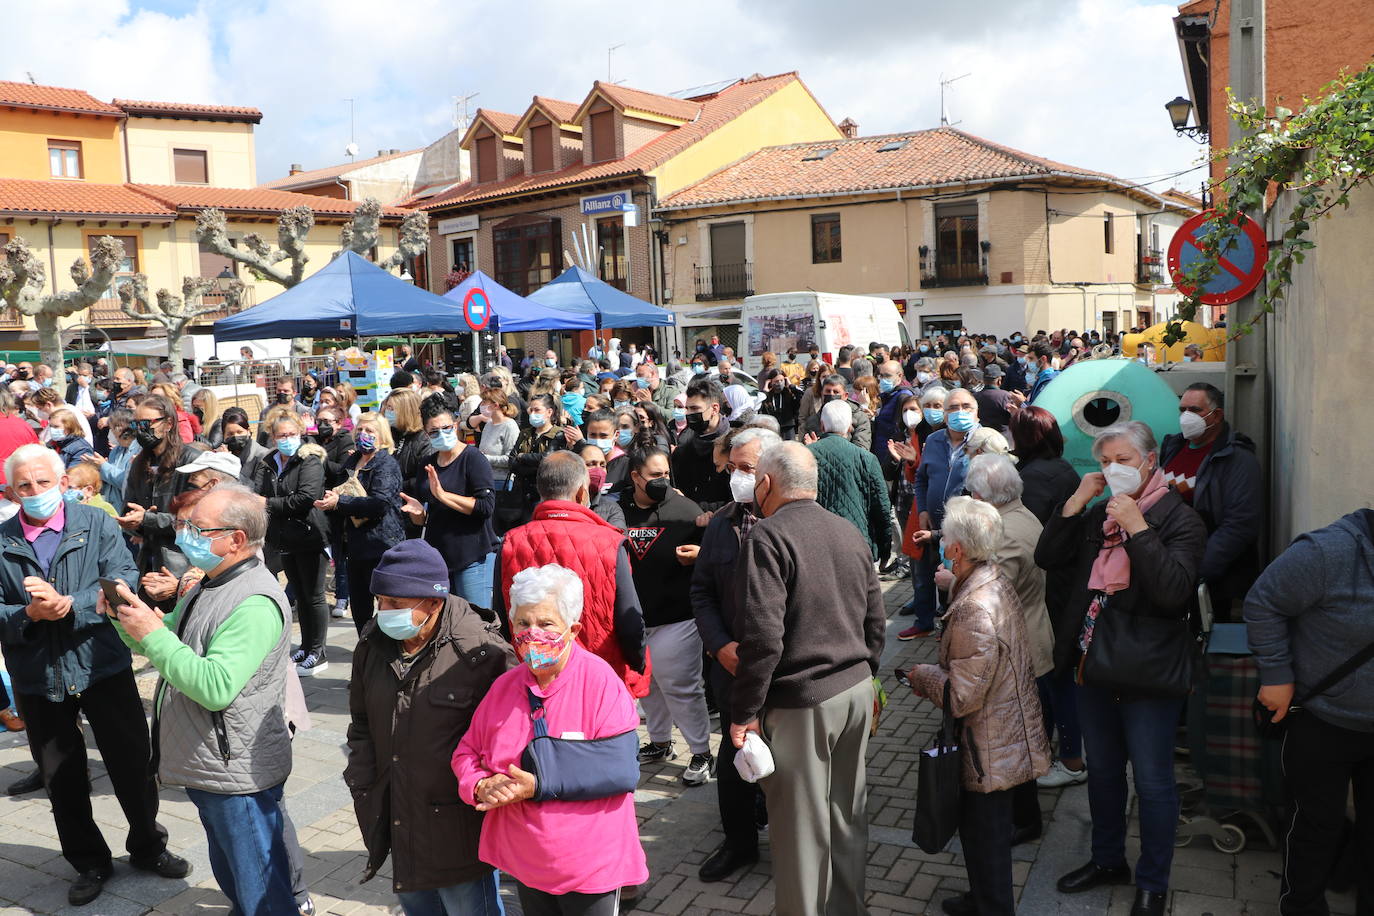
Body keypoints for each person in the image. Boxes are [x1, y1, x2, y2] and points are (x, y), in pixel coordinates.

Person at [0, 444, 189, 905]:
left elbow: (121, 579)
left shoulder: (97, 523)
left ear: (63, 483)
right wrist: (29, 613)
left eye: (44, 482)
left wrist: (68, 606)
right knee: (61, 777)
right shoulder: (2, 540)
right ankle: (88, 861)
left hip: (101, 663)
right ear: (10, 490)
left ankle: (147, 845)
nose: (35, 492)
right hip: (38, 677)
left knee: (133, 765)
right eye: (24, 486)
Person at [1035, 422, 1206, 916]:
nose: (1113, 470)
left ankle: (1153, 882)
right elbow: (1048, 556)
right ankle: (1107, 859)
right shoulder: (1099, 516)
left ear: (1150, 461)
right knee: (1105, 772)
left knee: (1153, 782)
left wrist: (1137, 528)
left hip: (1148, 672)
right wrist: (1075, 501)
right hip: (1094, 663)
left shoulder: (1180, 519)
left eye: (1124, 460)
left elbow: (1172, 592)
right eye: (1105, 461)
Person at [109, 483, 298, 913]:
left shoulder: (254, 600)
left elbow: (215, 686)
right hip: (208, 763)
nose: (186, 535)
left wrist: (154, 635)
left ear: (236, 539)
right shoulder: (208, 583)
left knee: (262, 892)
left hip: (237, 774)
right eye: (186, 525)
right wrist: (127, 620)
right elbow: (169, 640)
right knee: (234, 875)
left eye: (199, 528)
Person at [728, 443, 885, 916]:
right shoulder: (847, 531)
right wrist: (866, 678)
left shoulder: (767, 537)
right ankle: (846, 908)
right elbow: (876, 621)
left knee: (800, 828)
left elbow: (763, 639)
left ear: (767, 484)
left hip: (804, 700)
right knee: (845, 815)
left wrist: (745, 712)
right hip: (854, 689)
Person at [453, 565, 649, 914]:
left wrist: (537, 783)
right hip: (525, 861)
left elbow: (621, 770)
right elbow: (467, 751)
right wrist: (480, 785)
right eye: (523, 624)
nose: (532, 634)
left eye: (546, 624)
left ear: (573, 629)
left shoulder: (599, 682)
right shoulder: (504, 687)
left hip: (589, 864)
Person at [345, 540, 515, 915]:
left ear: (433, 603)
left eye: (395, 604)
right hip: (398, 816)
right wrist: (363, 778)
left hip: (458, 827)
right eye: (380, 601)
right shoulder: (373, 644)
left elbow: (510, 741)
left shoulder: (482, 654)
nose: (382, 612)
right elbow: (360, 724)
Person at [904, 496, 1050, 916]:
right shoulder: (991, 580)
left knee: (985, 838)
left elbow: (962, 695)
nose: (941, 541)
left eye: (945, 537)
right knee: (980, 834)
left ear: (956, 550)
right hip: (999, 739)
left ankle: (992, 905)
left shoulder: (974, 609)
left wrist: (922, 676)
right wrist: (955, 585)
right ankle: (982, 898)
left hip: (988, 749)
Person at [1244, 508, 1374, 916]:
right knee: (1315, 828)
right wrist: (1276, 675)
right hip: (1322, 718)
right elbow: (1263, 602)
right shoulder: (1328, 552)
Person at [690, 426, 781, 882]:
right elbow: (702, 591)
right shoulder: (723, 523)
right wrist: (718, 644)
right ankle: (739, 843)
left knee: (786, 767)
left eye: (747, 470)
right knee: (732, 761)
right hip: (732, 671)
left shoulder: (793, 522)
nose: (737, 478)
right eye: (733, 469)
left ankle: (792, 844)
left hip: (783, 677)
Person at [494, 452, 647, 698]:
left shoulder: (512, 541)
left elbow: (502, 615)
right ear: (580, 493)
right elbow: (630, 621)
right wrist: (638, 664)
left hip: (534, 674)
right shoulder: (611, 542)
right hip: (599, 675)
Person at [963, 454, 1056, 844]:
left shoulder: (1004, 533)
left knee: (1014, 743)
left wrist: (952, 577)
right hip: (1031, 637)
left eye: (971, 493)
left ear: (984, 495)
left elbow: (992, 594)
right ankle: (1021, 816)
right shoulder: (1023, 515)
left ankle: (1023, 820)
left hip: (1019, 649)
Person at [618, 448, 713, 785]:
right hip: (637, 618)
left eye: (666, 475)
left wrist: (701, 553)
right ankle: (659, 742)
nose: (662, 482)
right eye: (654, 476)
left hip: (678, 617)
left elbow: (716, 550)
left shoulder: (686, 510)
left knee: (682, 686)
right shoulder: (617, 507)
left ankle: (701, 752)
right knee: (650, 686)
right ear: (635, 477)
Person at [1008, 406, 1088, 788]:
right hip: (1063, 584)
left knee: (1055, 675)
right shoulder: (1063, 468)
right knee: (1056, 673)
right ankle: (1056, 750)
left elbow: (1034, 539)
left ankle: (1071, 760)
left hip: (1050, 588)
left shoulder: (1035, 478)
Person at [1158, 383, 1262, 619]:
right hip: (1167, 566)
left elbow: (1240, 525)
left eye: (1194, 410)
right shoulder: (1174, 446)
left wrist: (1197, 570)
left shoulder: (1237, 460)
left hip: (1208, 578)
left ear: (1217, 415)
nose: (1186, 417)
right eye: (1182, 409)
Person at [252, 414, 332, 677]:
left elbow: (305, 497)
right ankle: (307, 645)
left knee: (314, 595)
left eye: (291, 434)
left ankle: (318, 652)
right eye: (281, 436)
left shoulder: (310, 458)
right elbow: (261, 491)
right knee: (299, 593)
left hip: (309, 534)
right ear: (272, 437)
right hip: (285, 537)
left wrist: (268, 503)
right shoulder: (270, 462)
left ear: (300, 432)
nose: (287, 440)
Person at [314, 413, 404, 634]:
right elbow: (341, 488)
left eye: (370, 431)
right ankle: (366, 650)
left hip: (380, 544)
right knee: (360, 607)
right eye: (360, 430)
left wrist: (340, 502)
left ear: (382, 437)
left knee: (387, 604)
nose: (363, 435)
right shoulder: (352, 461)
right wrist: (331, 499)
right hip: (353, 545)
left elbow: (380, 503)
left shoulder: (386, 464)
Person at [402, 403, 499, 608]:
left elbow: (485, 506)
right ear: (426, 434)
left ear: (455, 425)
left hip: (473, 557)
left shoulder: (473, 458)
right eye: (434, 431)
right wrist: (417, 513)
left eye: (446, 428)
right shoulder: (427, 463)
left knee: (475, 623)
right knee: (445, 624)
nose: (442, 434)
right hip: (439, 558)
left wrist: (443, 495)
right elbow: (426, 516)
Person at [905, 386, 980, 640]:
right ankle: (925, 623)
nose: (959, 413)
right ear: (945, 414)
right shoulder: (935, 441)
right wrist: (923, 509)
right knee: (928, 574)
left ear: (977, 413)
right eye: (953, 408)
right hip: (932, 521)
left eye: (966, 407)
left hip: (965, 528)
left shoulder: (984, 442)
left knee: (959, 578)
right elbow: (921, 479)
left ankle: (954, 629)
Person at [118, 394, 203, 607]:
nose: (141, 429)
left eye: (147, 423)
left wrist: (148, 519)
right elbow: (130, 509)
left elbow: (197, 523)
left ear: (168, 424)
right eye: (137, 424)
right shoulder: (139, 463)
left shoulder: (190, 461)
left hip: (182, 566)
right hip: (149, 566)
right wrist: (131, 523)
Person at [808, 400, 893, 562]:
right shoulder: (866, 459)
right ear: (849, 427)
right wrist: (884, 549)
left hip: (815, 542)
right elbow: (882, 508)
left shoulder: (805, 455)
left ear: (822, 425)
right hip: (857, 541)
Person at [670, 378, 732, 509]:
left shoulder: (734, 447)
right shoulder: (685, 449)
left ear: (714, 409)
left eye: (694, 408)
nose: (688, 414)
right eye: (687, 408)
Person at [801, 374, 873, 449]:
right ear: (822, 394)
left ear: (845, 395)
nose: (831, 395)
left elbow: (862, 448)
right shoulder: (814, 420)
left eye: (836, 392)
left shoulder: (859, 418)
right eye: (828, 391)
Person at [577, 443, 626, 528]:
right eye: (591, 464)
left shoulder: (611, 509)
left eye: (602, 465)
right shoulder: (562, 504)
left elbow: (618, 538)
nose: (598, 470)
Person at [218, 407, 269, 484]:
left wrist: (229, 463)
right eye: (230, 434)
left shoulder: (262, 456)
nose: (235, 436)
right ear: (224, 435)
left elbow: (254, 487)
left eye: (239, 432)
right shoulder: (220, 455)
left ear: (248, 431)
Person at [757, 368, 802, 440]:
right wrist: (765, 390)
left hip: (788, 427)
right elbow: (758, 405)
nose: (779, 383)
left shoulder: (789, 393)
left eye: (782, 380)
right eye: (776, 381)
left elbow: (801, 397)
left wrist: (791, 386)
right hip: (772, 427)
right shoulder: (767, 395)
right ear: (771, 382)